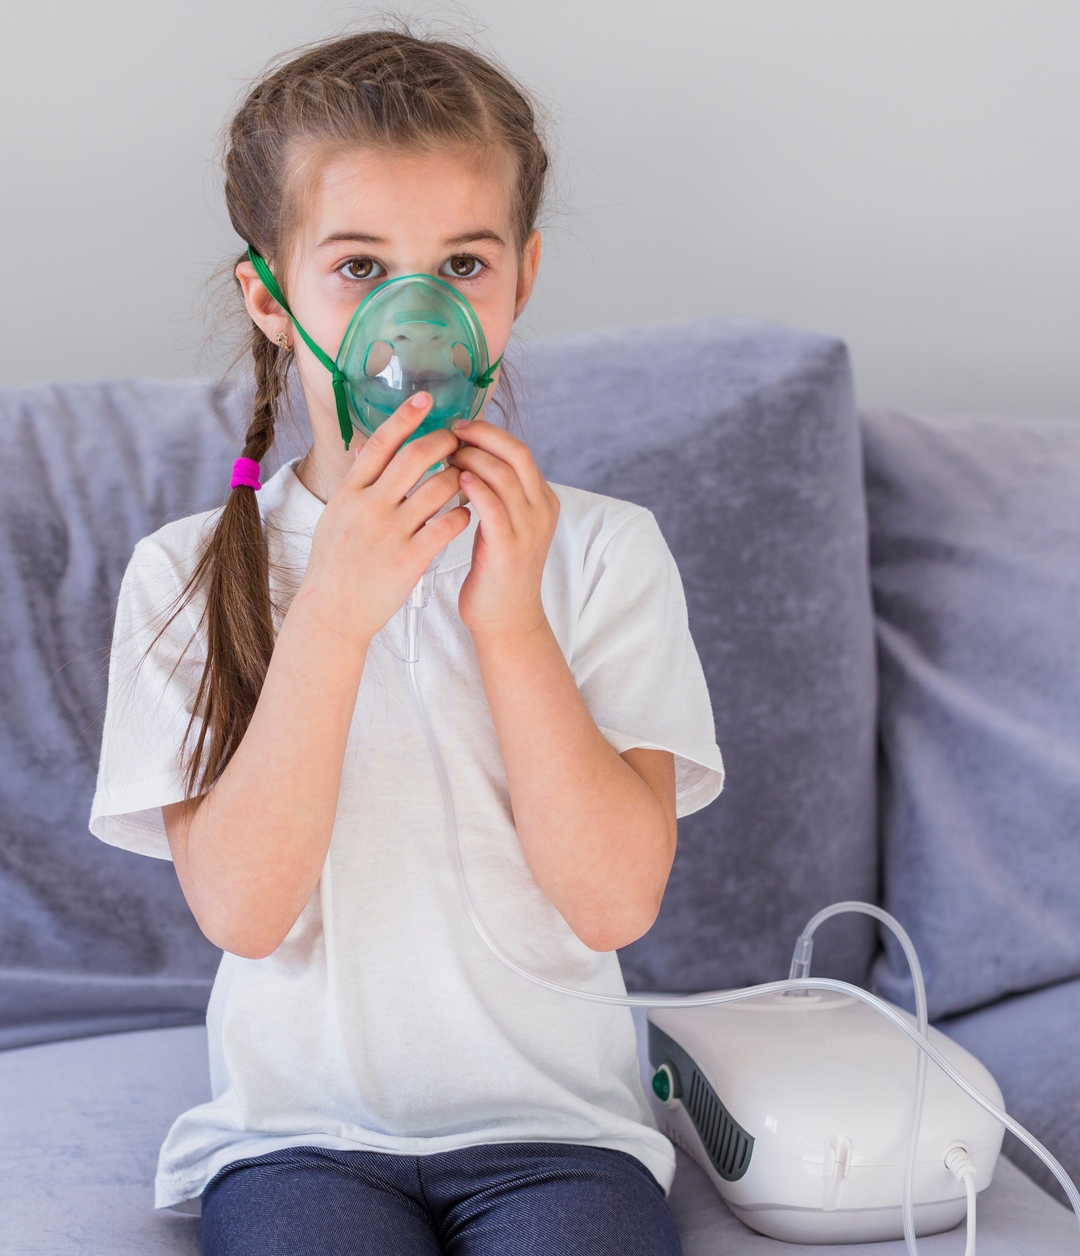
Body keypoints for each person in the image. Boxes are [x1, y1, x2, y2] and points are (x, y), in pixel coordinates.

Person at [90, 27, 723, 1256]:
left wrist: (509, 620)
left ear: (521, 280)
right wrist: (332, 610)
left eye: (464, 263)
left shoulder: (604, 555)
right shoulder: (185, 573)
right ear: (272, 299)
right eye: (360, 265)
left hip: (560, 1135)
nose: (414, 315)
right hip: (299, 1135)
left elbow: (614, 898)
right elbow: (244, 910)